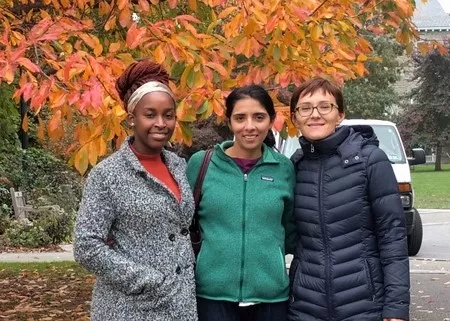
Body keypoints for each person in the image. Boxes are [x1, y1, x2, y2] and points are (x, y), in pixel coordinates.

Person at [73, 59, 197, 321]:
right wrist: (148, 281)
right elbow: (86, 246)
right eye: (150, 114)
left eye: (169, 115)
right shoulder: (107, 175)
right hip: (130, 308)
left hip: (180, 306)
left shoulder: (178, 166)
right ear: (132, 118)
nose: (161, 123)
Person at [288, 77, 410, 321]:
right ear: (294, 118)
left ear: (340, 114)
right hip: (306, 306)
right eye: (305, 108)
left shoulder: (370, 160)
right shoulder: (294, 166)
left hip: (363, 304)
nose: (315, 114)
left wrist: (396, 308)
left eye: (325, 106)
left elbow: (392, 236)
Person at [186, 85, 296, 321]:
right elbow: (183, 223)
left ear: (271, 120)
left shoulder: (284, 168)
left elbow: (290, 227)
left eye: (258, 117)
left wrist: (270, 261)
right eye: (240, 118)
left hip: (271, 297)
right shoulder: (201, 164)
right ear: (229, 122)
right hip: (212, 296)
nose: (249, 126)